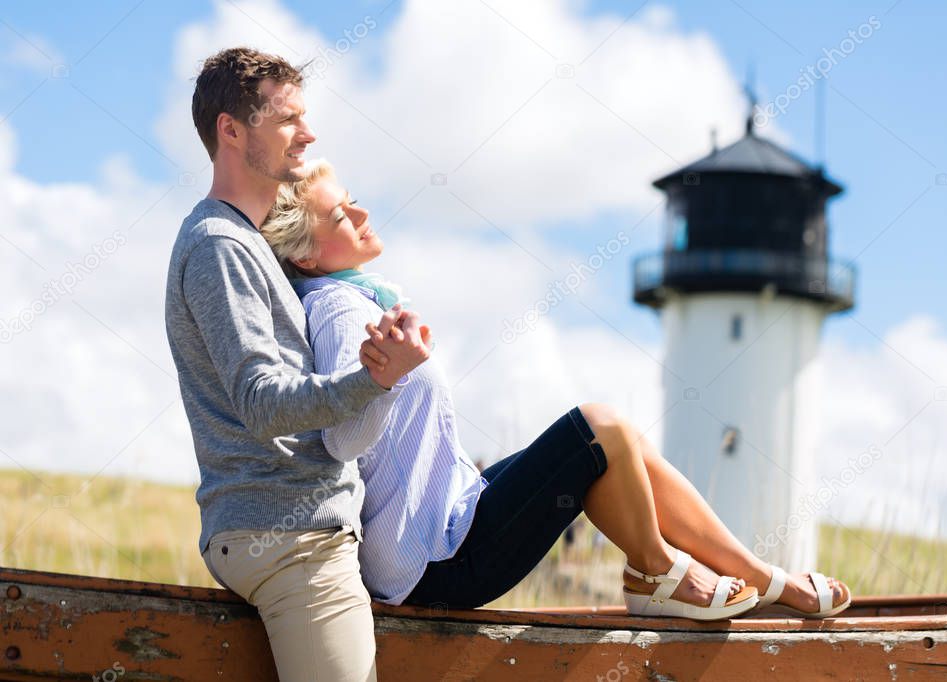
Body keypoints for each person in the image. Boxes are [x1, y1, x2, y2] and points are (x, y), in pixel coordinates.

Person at [260, 159, 854, 621]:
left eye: (354, 204)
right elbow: (341, 438)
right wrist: (382, 379)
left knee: (624, 449)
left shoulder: (364, 297)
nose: (362, 216)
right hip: (432, 564)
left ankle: (762, 577)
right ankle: (657, 570)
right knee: (601, 428)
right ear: (308, 253)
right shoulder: (340, 312)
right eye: (341, 216)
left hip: (451, 514)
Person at [164, 48, 424, 682]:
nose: (307, 134)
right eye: (287, 119)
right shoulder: (220, 246)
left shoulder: (248, 244)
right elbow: (261, 401)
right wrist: (375, 377)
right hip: (292, 540)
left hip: (290, 534)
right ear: (231, 130)